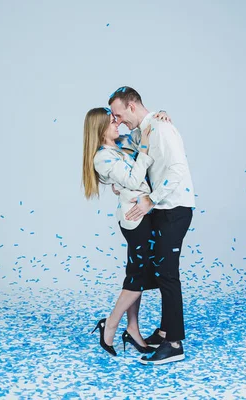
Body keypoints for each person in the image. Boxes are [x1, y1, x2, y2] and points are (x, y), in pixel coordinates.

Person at [109, 86, 195, 365]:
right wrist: (116, 182)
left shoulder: (160, 128)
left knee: (167, 274)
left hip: (174, 208)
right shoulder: (142, 130)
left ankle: (174, 343)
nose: (118, 121)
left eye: (119, 114)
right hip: (160, 209)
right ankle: (164, 331)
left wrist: (150, 200)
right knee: (156, 271)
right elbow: (117, 150)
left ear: (132, 107)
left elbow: (178, 169)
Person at [82, 106, 171, 356]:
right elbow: (133, 180)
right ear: (99, 129)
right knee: (137, 277)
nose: (117, 123)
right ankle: (110, 324)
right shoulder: (102, 157)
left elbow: (144, 130)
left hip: (145, 214)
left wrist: (159, 114)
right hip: (135, 221)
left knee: (137, 274)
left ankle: (132, 328)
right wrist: (142, 151)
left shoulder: (120, 143)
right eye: (112, 121)